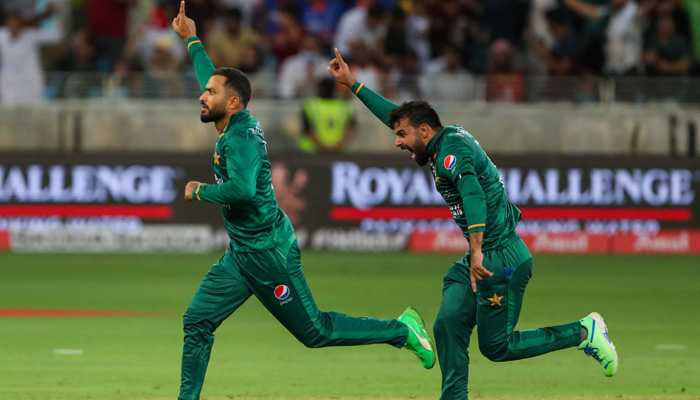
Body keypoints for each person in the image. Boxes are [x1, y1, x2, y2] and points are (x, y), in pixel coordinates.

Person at [170, 3, 435, 400]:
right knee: (197, 320)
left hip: (268, 253)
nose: (203, 95)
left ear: (234, 103)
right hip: (242, 253)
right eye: (205, 90)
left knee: (315, 332)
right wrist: (191, 38)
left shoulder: (239, 137)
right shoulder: (233, 120)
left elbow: (241, 191)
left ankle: (401, 330)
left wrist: (199, 190)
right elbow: (214, 78)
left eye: (211, 93)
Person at [327, 48, 619, 400]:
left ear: (423, 130)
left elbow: (474, 195)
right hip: (483, 255)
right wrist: (353, 84)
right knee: (447, 324)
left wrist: (477, 252)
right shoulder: (441, 138)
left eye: (402, 135)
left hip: (499, 258)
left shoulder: (451, 154)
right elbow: (394, 114)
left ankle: (584, 332)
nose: (398, 142)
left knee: (497, 347)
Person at [300, 77, 357, 153]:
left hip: (312, 153)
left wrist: (323, 148)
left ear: (320, 88)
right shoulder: (345, 106)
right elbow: (351, 130)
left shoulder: (310, 105)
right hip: (338, 153)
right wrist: (336, 147)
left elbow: (307, 130)